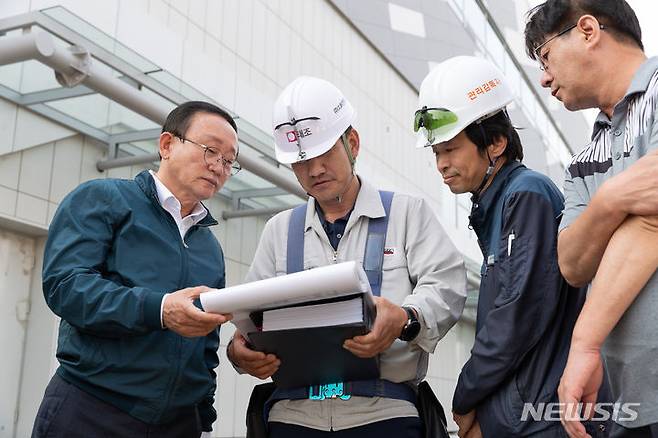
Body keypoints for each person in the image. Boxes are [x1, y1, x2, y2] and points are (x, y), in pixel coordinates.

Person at [227, 76, 467, 437]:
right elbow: (249, 316)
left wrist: (405, 319)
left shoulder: (406, 214)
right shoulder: (279, 230)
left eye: (324, 154)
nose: (314, 170)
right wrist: (238, 352)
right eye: (301, 161)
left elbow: (445, 285)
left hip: (385, 414)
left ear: (352, 143)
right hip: (292, 418)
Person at [413, 56, 607, 437]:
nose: (441, 164)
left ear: (496, 143)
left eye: (450, 149)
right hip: (520, 418)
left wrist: (466, 394)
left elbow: (517, 314)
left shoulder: (527, 196)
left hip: (541, 420)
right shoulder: (496, 207)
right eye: (436, 153)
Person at [32, 101, 239, 438]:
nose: (218, 166)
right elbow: (66, 286)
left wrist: (203, 416)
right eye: (210, 150)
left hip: (178, 424)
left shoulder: (210, 248)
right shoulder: (102, 198)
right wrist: (159, 309)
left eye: (229, 161)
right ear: (167, 145)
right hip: (92, 409)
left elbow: (206, 344)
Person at [524, 1, 658, 436]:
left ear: (586, 31)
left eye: (544, 56)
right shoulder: (583, 160)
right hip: (628, 400)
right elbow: (573, 263)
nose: (543, 77)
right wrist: (612, 200)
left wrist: (584, 341)